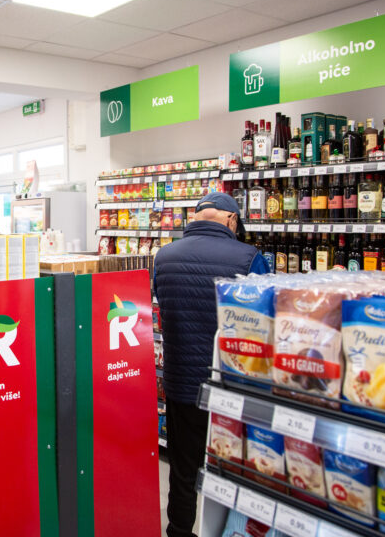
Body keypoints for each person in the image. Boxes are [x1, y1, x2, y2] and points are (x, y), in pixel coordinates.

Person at [153, 192, 270, 537]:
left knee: (183, 468)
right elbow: (265, 318)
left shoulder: (164, 256)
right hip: (232, 384)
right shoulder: (249, 257)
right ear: (231, 220)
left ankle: (179, 530)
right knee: (236, 469)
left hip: (181, 382)